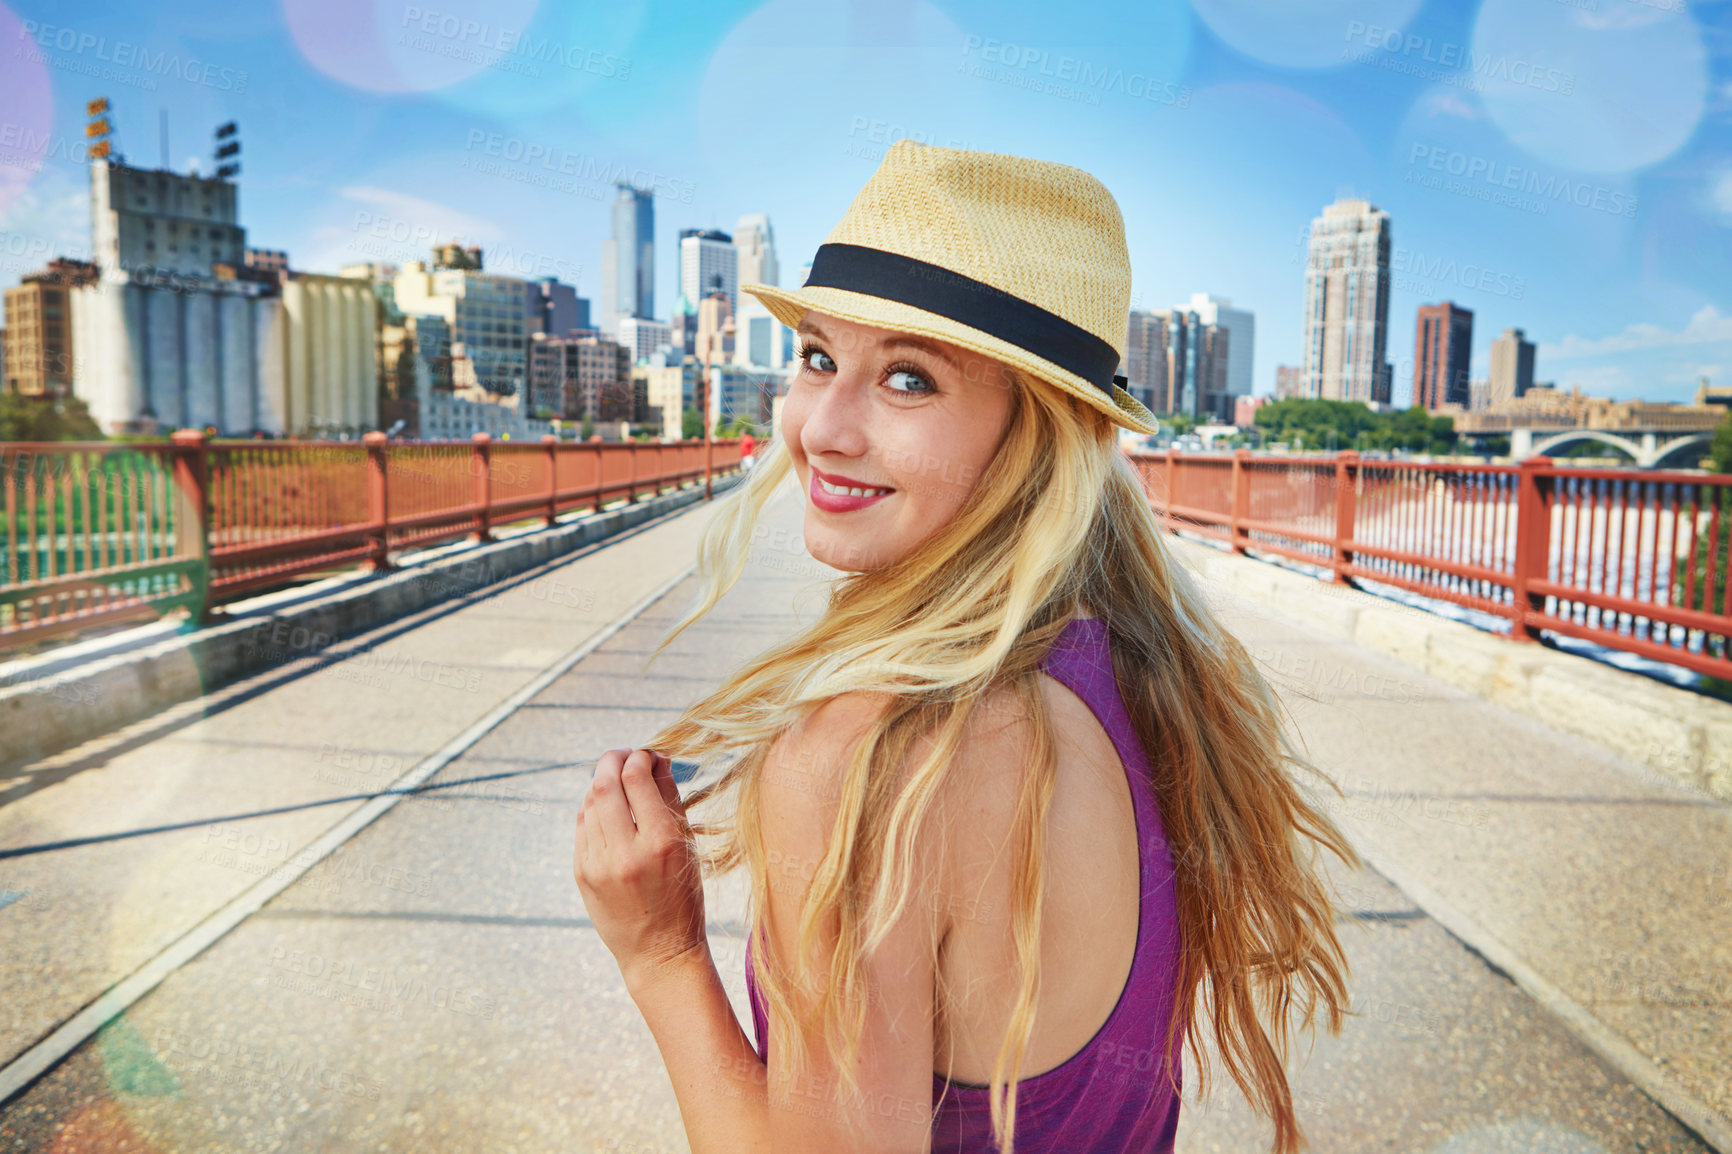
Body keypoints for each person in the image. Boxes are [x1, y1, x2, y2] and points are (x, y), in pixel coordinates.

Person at [574, 140, 1358, 1154]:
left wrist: (662, 953)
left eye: (907, 379)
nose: (822, 429)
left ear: (1035, 435)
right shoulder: (1141, 671)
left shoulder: (865, 761)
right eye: (818, 358)